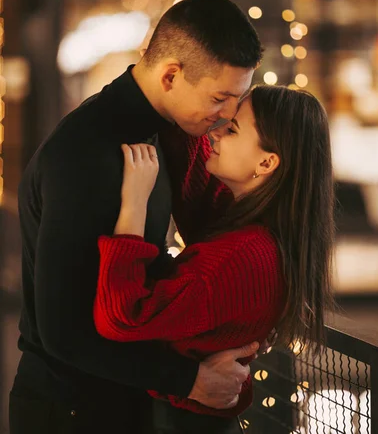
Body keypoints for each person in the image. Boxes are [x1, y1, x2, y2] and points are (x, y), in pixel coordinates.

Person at [9, 0, 263, 434]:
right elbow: (61, 330)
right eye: (220, 98)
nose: (225, 116)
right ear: (171, 75)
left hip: (114, 398)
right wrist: (191, 381)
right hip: (70, 411)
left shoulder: (161, 132)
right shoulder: (88, 154)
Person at [93, 84, 335, 434]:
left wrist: (134, 204)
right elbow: (197, 188)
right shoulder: (259, 225)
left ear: (267, 161)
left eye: (233, 129)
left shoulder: (243, 256)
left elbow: (121, 318)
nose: (217, 131)